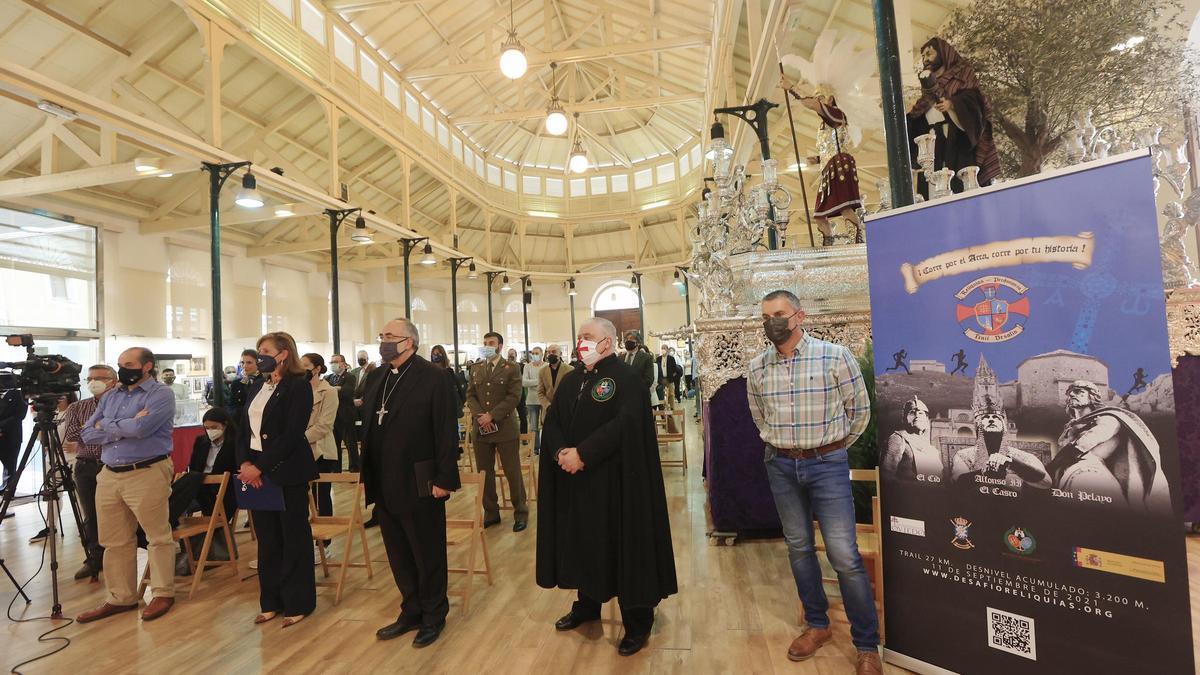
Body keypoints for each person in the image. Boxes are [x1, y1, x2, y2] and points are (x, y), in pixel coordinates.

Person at [746, 290, 880, 674]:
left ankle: (866, 644)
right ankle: (818, 625)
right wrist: (785, 447)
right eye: (766, 316)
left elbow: (860, 412)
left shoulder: (834, 357)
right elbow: (760, 417)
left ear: (799, 316)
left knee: (844, 555)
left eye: (780, 313)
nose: (773, 320)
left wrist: (830, 449)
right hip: (781, 465)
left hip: (827, 464)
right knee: (799, 547)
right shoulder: (758, 367)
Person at [537, 317, 677, 657]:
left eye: (588, 337)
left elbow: (625, 424)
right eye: (579, 337)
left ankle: (637, 620)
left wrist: (584, 453)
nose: (580, 342)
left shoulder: (626, 379)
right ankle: (587, 605)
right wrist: (560, 452)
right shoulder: (572, 380)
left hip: (615, 483)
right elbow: (552, 420)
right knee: (583, 543)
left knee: (623, 545)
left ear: (608, 342)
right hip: (575, 481)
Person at [362, 318, 460, 648]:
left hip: (421, 479)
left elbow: (445, 430)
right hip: (384, 480)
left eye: (391, 336)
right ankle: (411, 609)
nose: (384, 341)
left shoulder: (434, 377)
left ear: (410, 342)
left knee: (427, 551)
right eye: (382, 336)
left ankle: (434, 614)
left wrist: (445, 478)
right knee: (398, 553)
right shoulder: (377, 376)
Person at [76, 347, 177, 624]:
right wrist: (125, 423)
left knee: (157, 536)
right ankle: (121, 597)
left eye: (129, 364)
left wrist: (108, 426)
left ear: (146, 366)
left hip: (146, 470)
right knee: (114, 540)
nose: (123, 369)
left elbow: (142, 430)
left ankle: (162, 592)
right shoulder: (111, 396)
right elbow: (86, 434)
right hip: (109, 473)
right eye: (120, 364)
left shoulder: (160, 394)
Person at [236, 332, 318, 628]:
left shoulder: (298, 386)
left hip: (286, 471)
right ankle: (271, 601)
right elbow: (244, 429)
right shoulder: (258, 385)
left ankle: (298, 602)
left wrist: (261, 467)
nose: (260, 355)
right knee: (267, 540)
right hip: (255, 471)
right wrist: (245, 462)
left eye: (266, 350)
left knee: (293, 537)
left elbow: (292, 434)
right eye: (258, 350)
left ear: (283, 354)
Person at [1047, 380, 1170, 514]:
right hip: (1067, 471)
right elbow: (1064, 448)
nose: (1072, 396)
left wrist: (1062, 458)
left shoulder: (1108, 418)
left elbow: (1089, 440)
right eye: (1070, 394)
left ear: (1092, 397)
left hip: (1091, 472)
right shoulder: (1070, 427)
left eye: (1078, 392)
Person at [906, 37, 1001, 198]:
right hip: (934, 147)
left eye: (929, 53)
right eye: (923, 57)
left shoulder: (963, 75)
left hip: (959, 144)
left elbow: (975, 105)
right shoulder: (927, 93)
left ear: (943, 53)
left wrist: (953, 104)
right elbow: (919, 115)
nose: (925, 59)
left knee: (961, 189)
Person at [949, 357, 1050, 495]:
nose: (991, 419)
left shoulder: (1023, 456)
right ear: (978, 425)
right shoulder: (964, 455)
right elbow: (956, 482)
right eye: (986, 417)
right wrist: (984, 472)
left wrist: (1012, 463)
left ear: (1005, 425)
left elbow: (1046, 483)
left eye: (995, 417)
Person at [781, 78, 864, 244]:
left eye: (820, 97)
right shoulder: (824, 125)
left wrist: (792, 88)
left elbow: (813, 106)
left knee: (845, 207)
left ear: (830, 99)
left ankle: (858, 238)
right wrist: (816, 159)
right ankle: (827, 245)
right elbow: (831, 147)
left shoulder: (837, 114)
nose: (817, 101)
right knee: (819, 215)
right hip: (829, 168)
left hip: (838, 166)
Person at [466, 332, 527, 531]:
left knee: (512, 471)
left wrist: (492, 415)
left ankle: (520, 511)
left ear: (500, 346)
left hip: (505, 427)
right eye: (484, 343)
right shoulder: (476, 368)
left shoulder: (511, 368)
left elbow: (514, 396)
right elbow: (471, 395)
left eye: (491, 343)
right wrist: (479, 416)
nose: (487, 346)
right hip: (481, 429)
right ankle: (491, 512)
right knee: (485, 472)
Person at [61, 365, 118, 579]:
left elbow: (123, 432)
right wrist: (105, 428)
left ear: (113, 380)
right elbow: (73, 434)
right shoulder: (77, 407)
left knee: (115, 514)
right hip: (85, 465)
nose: (94, 381)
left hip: (111, 464)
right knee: (90, 515)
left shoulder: (121, 407)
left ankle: (116, 556)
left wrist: (93, 428)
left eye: (100, 378)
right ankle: (95, 557)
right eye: (90, 378)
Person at [302, 353, 339, 520]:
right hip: (300, 450)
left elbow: (325, 425)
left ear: (317, 369)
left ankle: (325, 541)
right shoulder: (298, 390)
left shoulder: (329, 391)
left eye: (306, 367)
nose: (301, 371)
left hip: (321, 449)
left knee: (321, 495)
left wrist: (299, 439)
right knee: (300, 497)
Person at [880, 396, 943, 483]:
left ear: (927, 419)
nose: (917, 416)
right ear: (904, 418)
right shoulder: (898, 439)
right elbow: (887, 475)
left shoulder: (931, 448)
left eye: (921, 413)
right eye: (912, 413)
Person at [325, 354, 359, 471]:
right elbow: (325, 392)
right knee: (334, 445)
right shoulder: (328, 378)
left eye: (336, 361)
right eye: (331, 362)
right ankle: (336, 469)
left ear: (343, 364)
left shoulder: (350, 377)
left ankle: (354, 468)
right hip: (332, 417)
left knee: (350, 444)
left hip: (346, 415)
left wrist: (334, 389)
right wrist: (337, 389)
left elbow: (347, 391)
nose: (333, 364)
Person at [0, 386, 27, 496]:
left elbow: (20, 415)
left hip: (12, 435)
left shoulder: (18, 394)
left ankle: (8, 492)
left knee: (10, 465)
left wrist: (1, 427)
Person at [522, 346, 546, 455]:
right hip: (531, 400)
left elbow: (548, 382)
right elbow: (524, 382)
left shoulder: (546, 366)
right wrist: (539, 382)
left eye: (537, 353)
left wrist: (533, 382)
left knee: (546, 425)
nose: (535, 355)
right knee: (533, 427)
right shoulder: (527, 366)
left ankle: (546, 448)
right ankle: (536, 448)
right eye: (533, 353)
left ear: (542, 354)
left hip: (544, 399)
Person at [430, 345, 466, 414]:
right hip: (436, 409)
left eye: (438, 354)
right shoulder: (430, 374)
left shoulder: (450, 374)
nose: (435, 356)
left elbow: (461, 394)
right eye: (433, 354)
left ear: (443, 355)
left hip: (450, 409)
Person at [228, 349, 263, 417]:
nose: (244, 366)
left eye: (249, 362)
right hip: (240, 423)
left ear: (258, 363)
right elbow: (231, 406)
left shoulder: (265, 381)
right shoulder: (236, 383)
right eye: (242, 362)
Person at [537, 343, 568, 415]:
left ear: (560, 354)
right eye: (549, 352)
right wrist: (548, 406)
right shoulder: (542, 371)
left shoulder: (569, 370)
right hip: (548, 411)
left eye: (554, 352)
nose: (551, 354)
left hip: (564, 411)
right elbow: (540, 392)